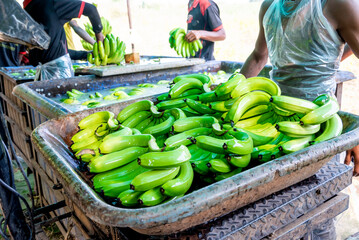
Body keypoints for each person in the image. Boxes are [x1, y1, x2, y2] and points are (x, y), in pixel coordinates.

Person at [240, 0, 359, 238]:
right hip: (277, 124)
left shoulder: (337, 4)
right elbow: (258, 56)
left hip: (322, 127)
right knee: (284, 212)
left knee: (320, 213)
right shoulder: (269, 6)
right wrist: (227, 96)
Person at [23, 0, 104, 80]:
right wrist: (99, 36)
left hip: (41, 76)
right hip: (58, 75)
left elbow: (53, 50)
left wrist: (86, 54)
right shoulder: (52, 3)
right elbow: (91, 9)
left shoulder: (26, 9)